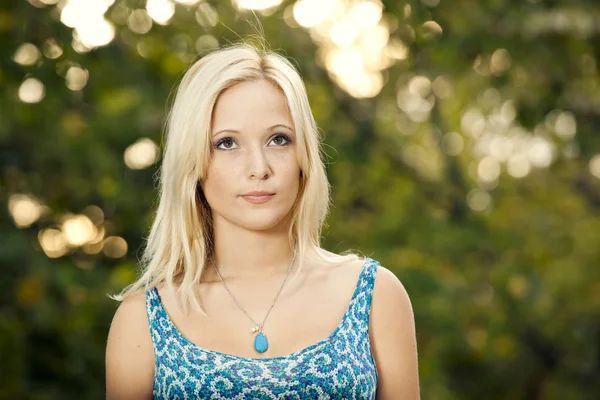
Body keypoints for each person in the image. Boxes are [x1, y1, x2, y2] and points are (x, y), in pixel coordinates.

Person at [105, 42, 419, 399]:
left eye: (278, 139)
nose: (259, 168)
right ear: (193, 163)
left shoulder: (376, 294)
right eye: (226, 144)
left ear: (304, 156)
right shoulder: (142, 320)